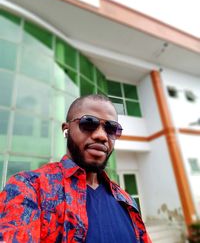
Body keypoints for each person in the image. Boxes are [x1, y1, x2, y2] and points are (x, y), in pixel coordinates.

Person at [0, 94, 152, 243]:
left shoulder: (127, 201)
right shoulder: (29, 188)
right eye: (89, 123)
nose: (102, 136)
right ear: (66, 130)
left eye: (111, 129)